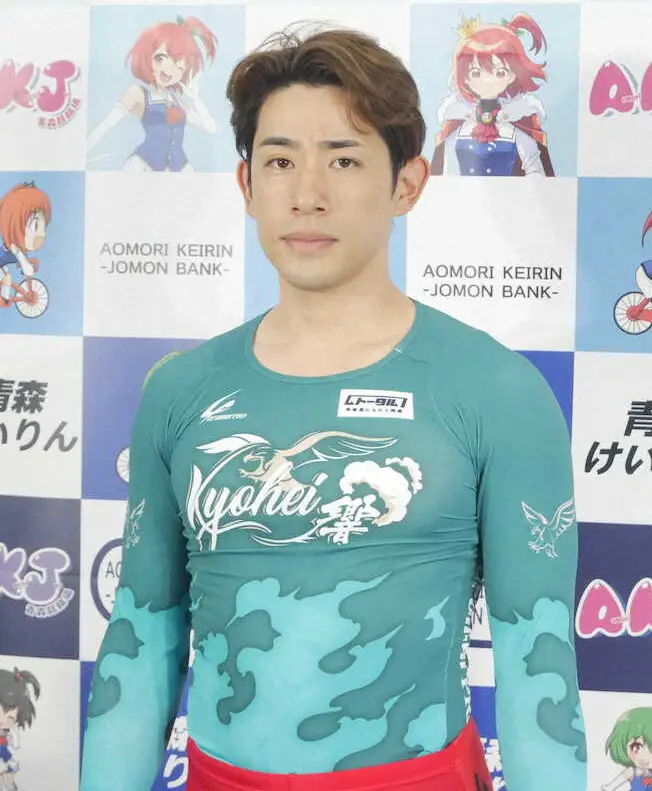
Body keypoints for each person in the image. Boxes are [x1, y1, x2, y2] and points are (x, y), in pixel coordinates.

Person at [79, 24, 588, 791]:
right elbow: (141, 634)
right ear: (247, 184)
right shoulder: (180, 390)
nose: (307, 194)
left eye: (344, 159)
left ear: (407, 183)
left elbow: (537, 659)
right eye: (280, 160)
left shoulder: (497, 391)